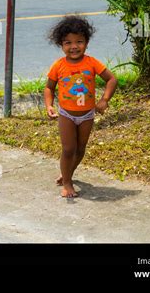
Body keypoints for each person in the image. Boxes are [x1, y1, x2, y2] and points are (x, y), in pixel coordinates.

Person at [44, 15, 117, 198]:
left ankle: (68, 173)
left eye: (79, 41)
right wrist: (49, 105)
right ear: (61, 44)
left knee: (80, 149)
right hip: (67, 114)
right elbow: (49, 87)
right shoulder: (58, 66)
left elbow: (111, 79)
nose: (74, 46)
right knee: (68, 149)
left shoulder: (91, 63)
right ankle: (67, 183)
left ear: (86, 42)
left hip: (87, 115)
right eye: (68, 42)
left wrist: (104, 100)